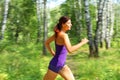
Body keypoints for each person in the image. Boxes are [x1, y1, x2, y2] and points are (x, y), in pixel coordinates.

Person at [43, 16, 89, 80]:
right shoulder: (64, 35)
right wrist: (82, 43)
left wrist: (53, 53)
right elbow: (70, 50)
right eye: (69, 23)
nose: (71, 24)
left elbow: (47, 43)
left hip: (61, 65)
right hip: (56, 65)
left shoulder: (57, 34)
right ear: (63, 24)